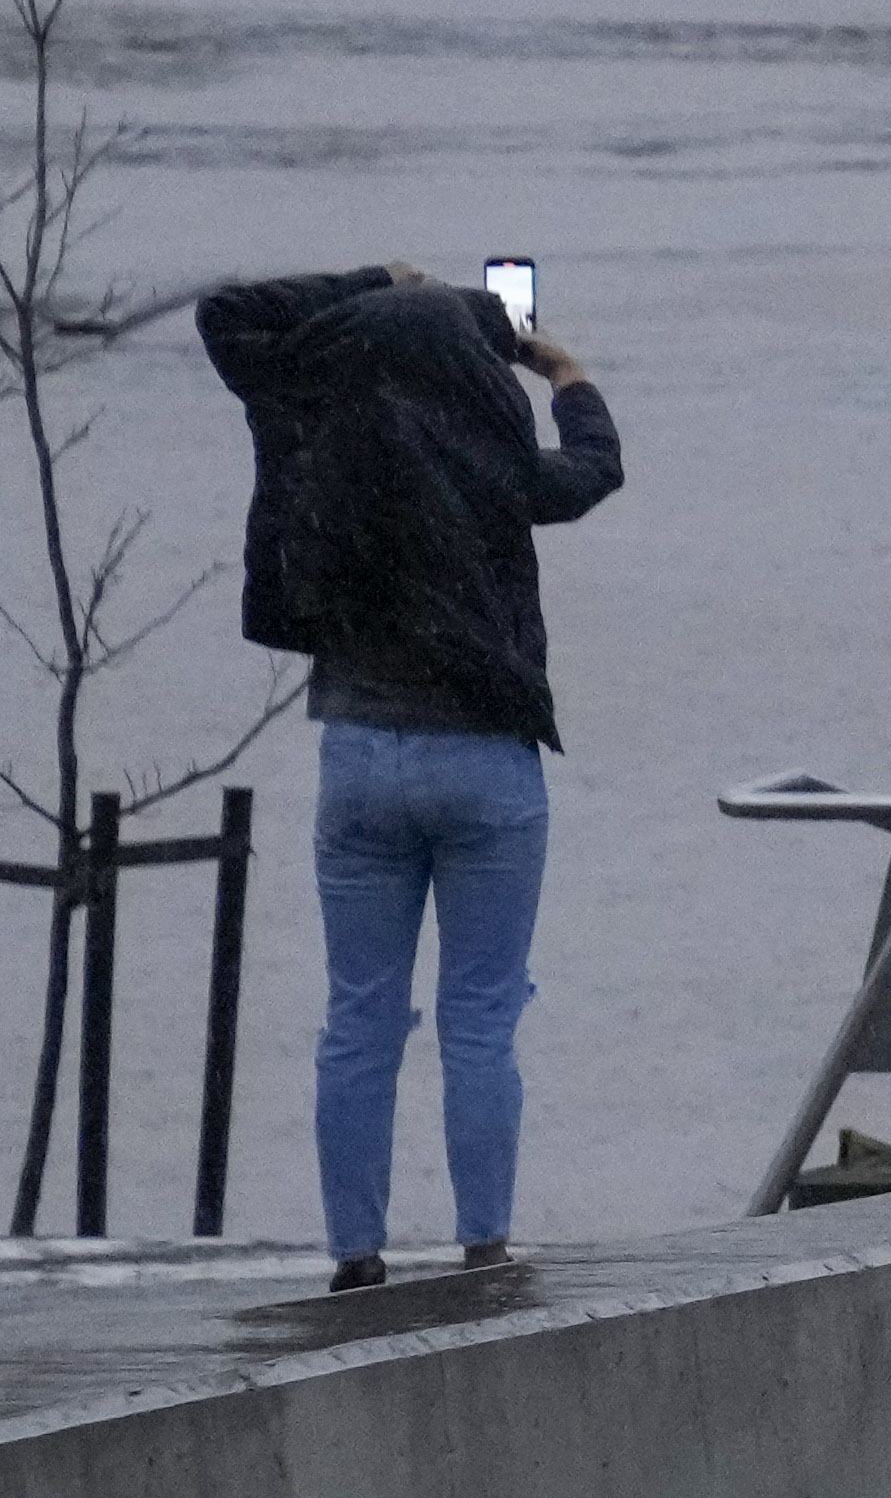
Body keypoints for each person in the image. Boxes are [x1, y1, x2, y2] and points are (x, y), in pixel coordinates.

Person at [195, 261, 622, 1286]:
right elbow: (597, 465)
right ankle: (482, 1244)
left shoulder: (320, 437)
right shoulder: (496, 459)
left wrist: (373, 279)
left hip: (358, 758)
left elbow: (227, 315)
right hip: (483, 763)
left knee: (360, 1016)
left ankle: (357, 1253)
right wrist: (560, 367)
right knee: (480, 1017)